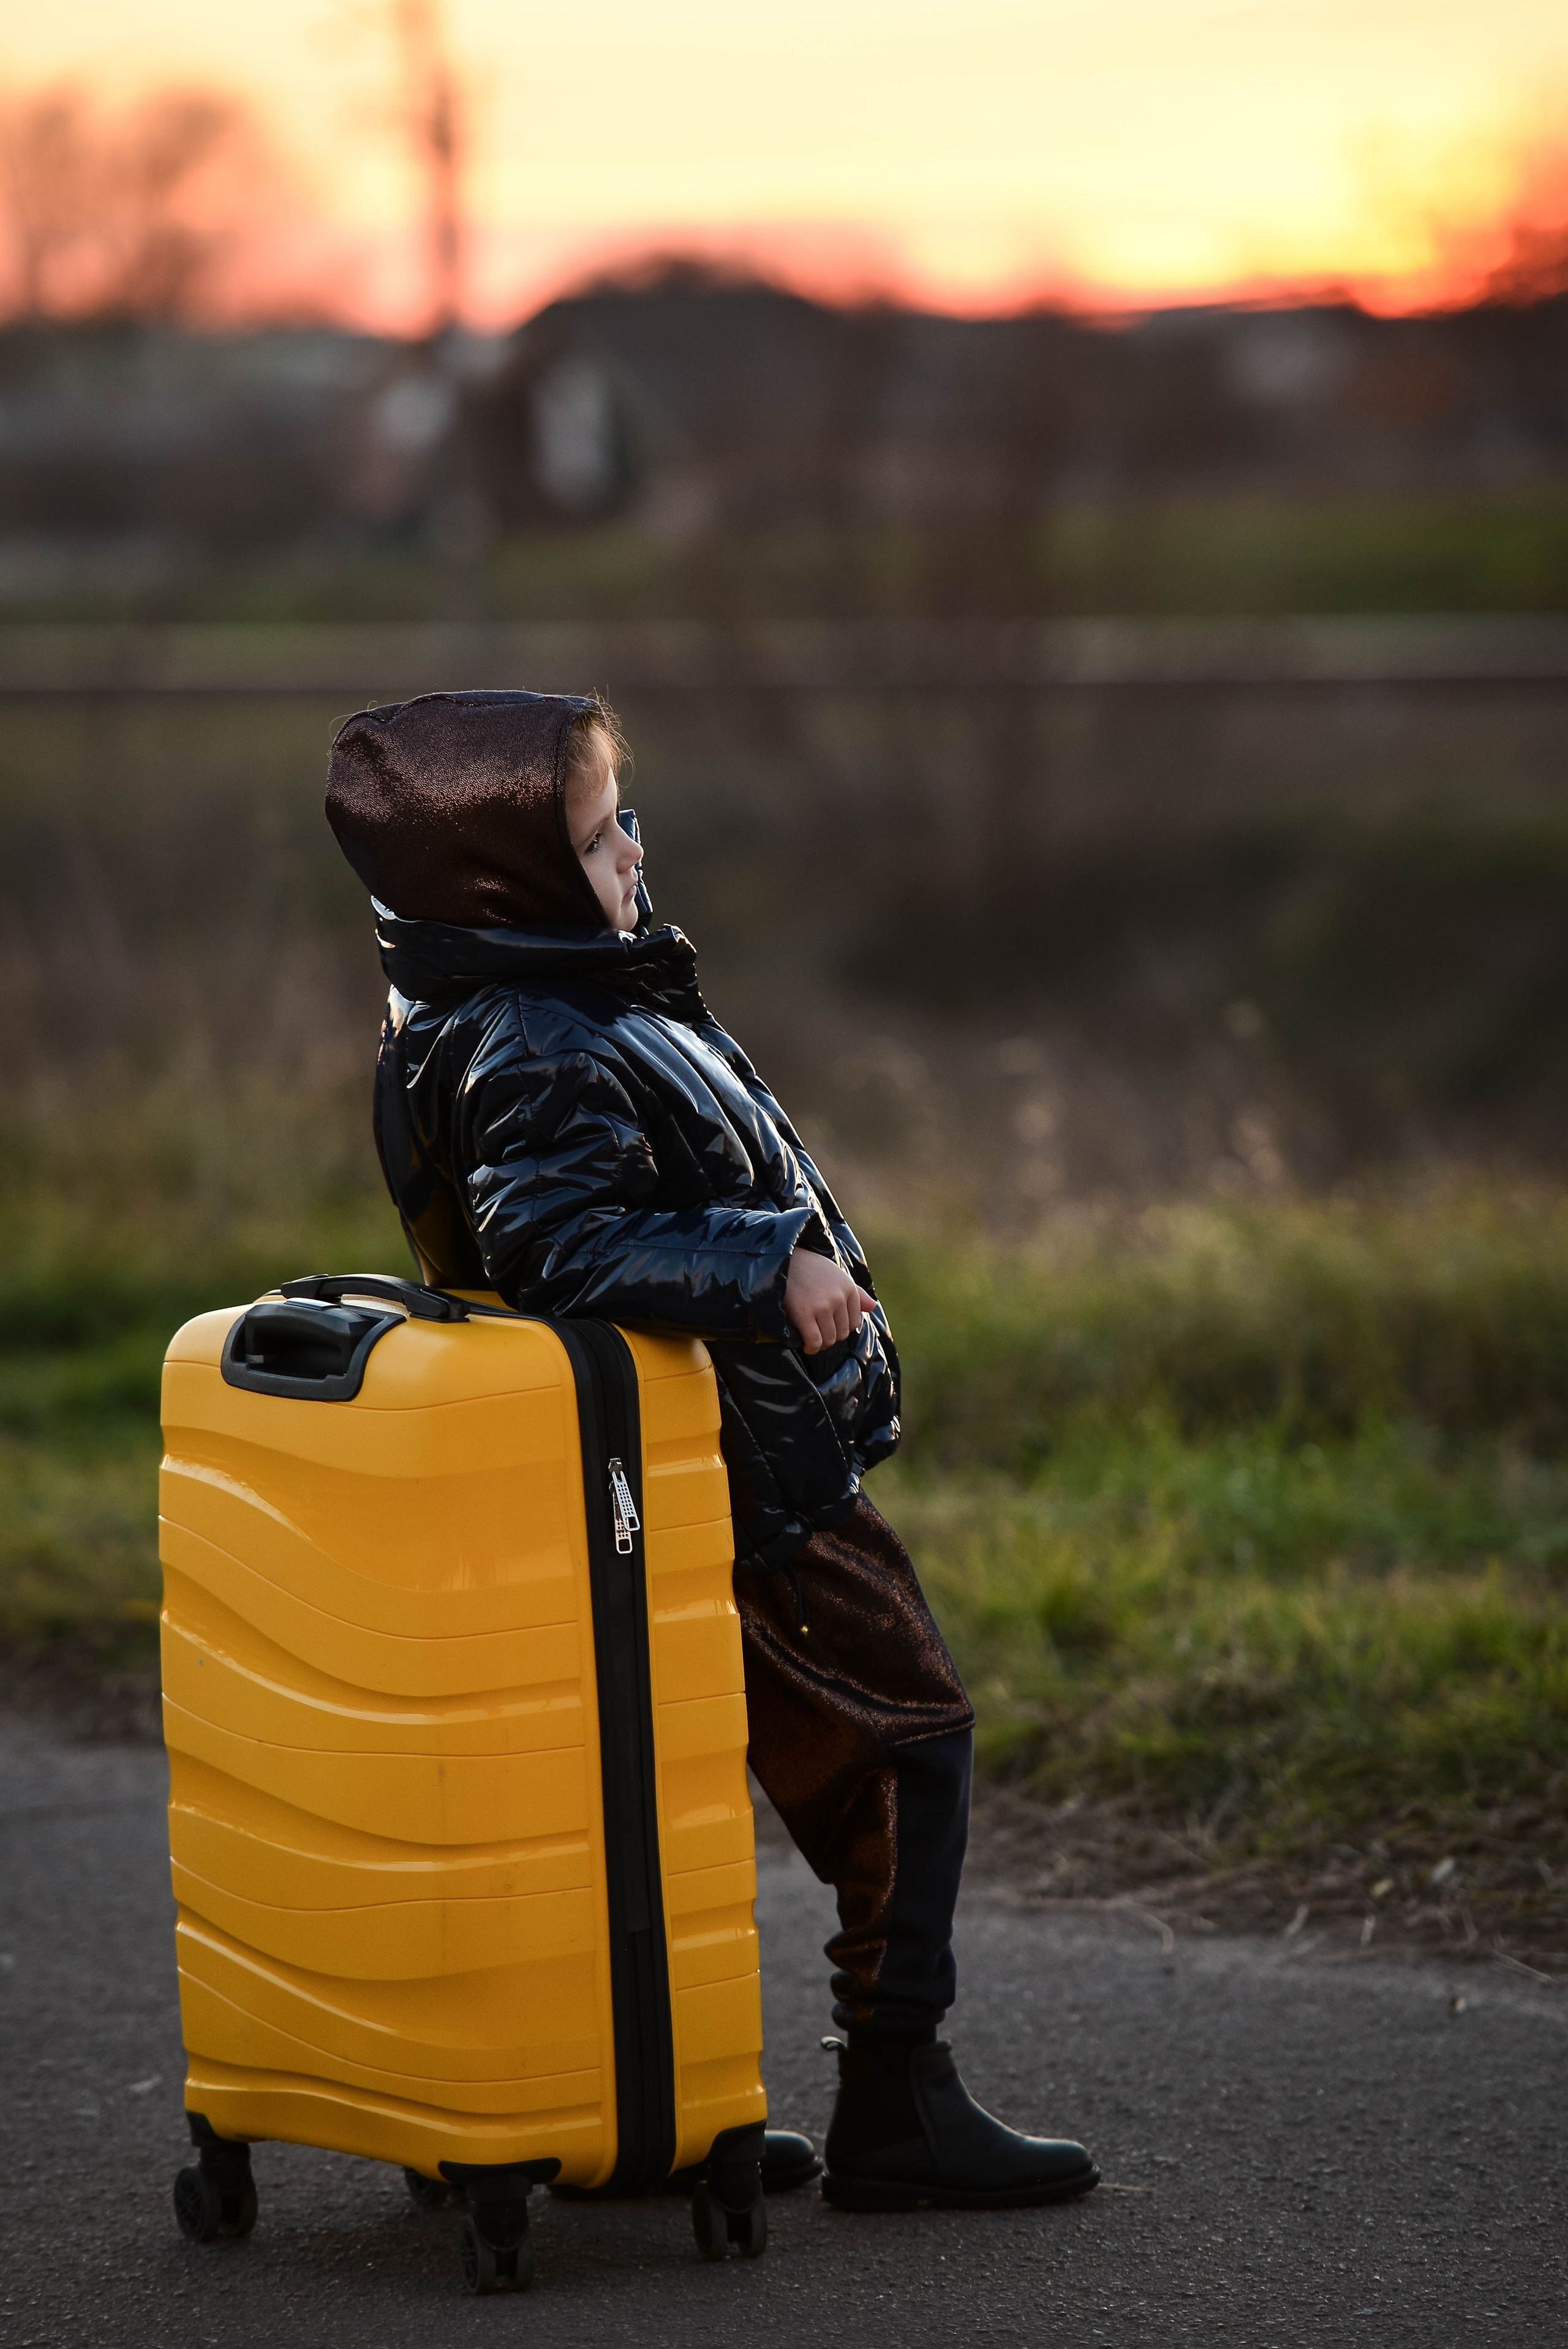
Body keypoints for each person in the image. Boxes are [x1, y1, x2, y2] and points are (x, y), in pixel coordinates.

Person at [325, 687, 1098, 2213]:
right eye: (603, 825)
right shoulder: (536, 1030)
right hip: (733, 1473)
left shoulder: (534, 993)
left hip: (648, 1473)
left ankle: (635, 2101)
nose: (633, 845)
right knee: (906, 1743)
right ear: (514, 877)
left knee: (651, 1774)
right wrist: (767, 1267)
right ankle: (898, 2096)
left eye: (625, 810)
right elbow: (558, 1244)